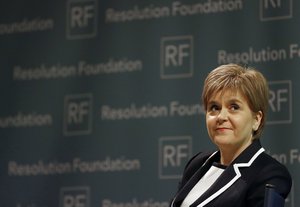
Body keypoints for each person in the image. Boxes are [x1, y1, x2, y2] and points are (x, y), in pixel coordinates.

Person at [170, 64, 292, 207]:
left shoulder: (270, 174)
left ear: (256, 119)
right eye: (214, 108)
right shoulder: (197, 163)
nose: (221, 116)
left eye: (234, 107)